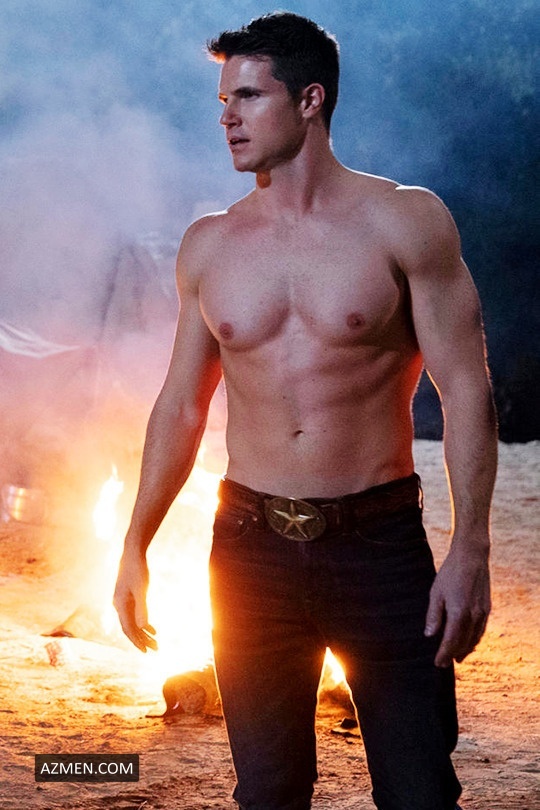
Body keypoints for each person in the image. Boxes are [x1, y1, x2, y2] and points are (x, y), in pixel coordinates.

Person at [113, 11, 497, 810]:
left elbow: (466, 390)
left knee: (420, 792)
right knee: (268, 793)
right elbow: (181, 406)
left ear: (311, 100)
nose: (228, 117)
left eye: (249, 97)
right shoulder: (211, 244)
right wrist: (135, 544)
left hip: (379, 547)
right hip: (248, 551)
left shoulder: (405, 220)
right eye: (224, 99)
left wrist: (471, 549)